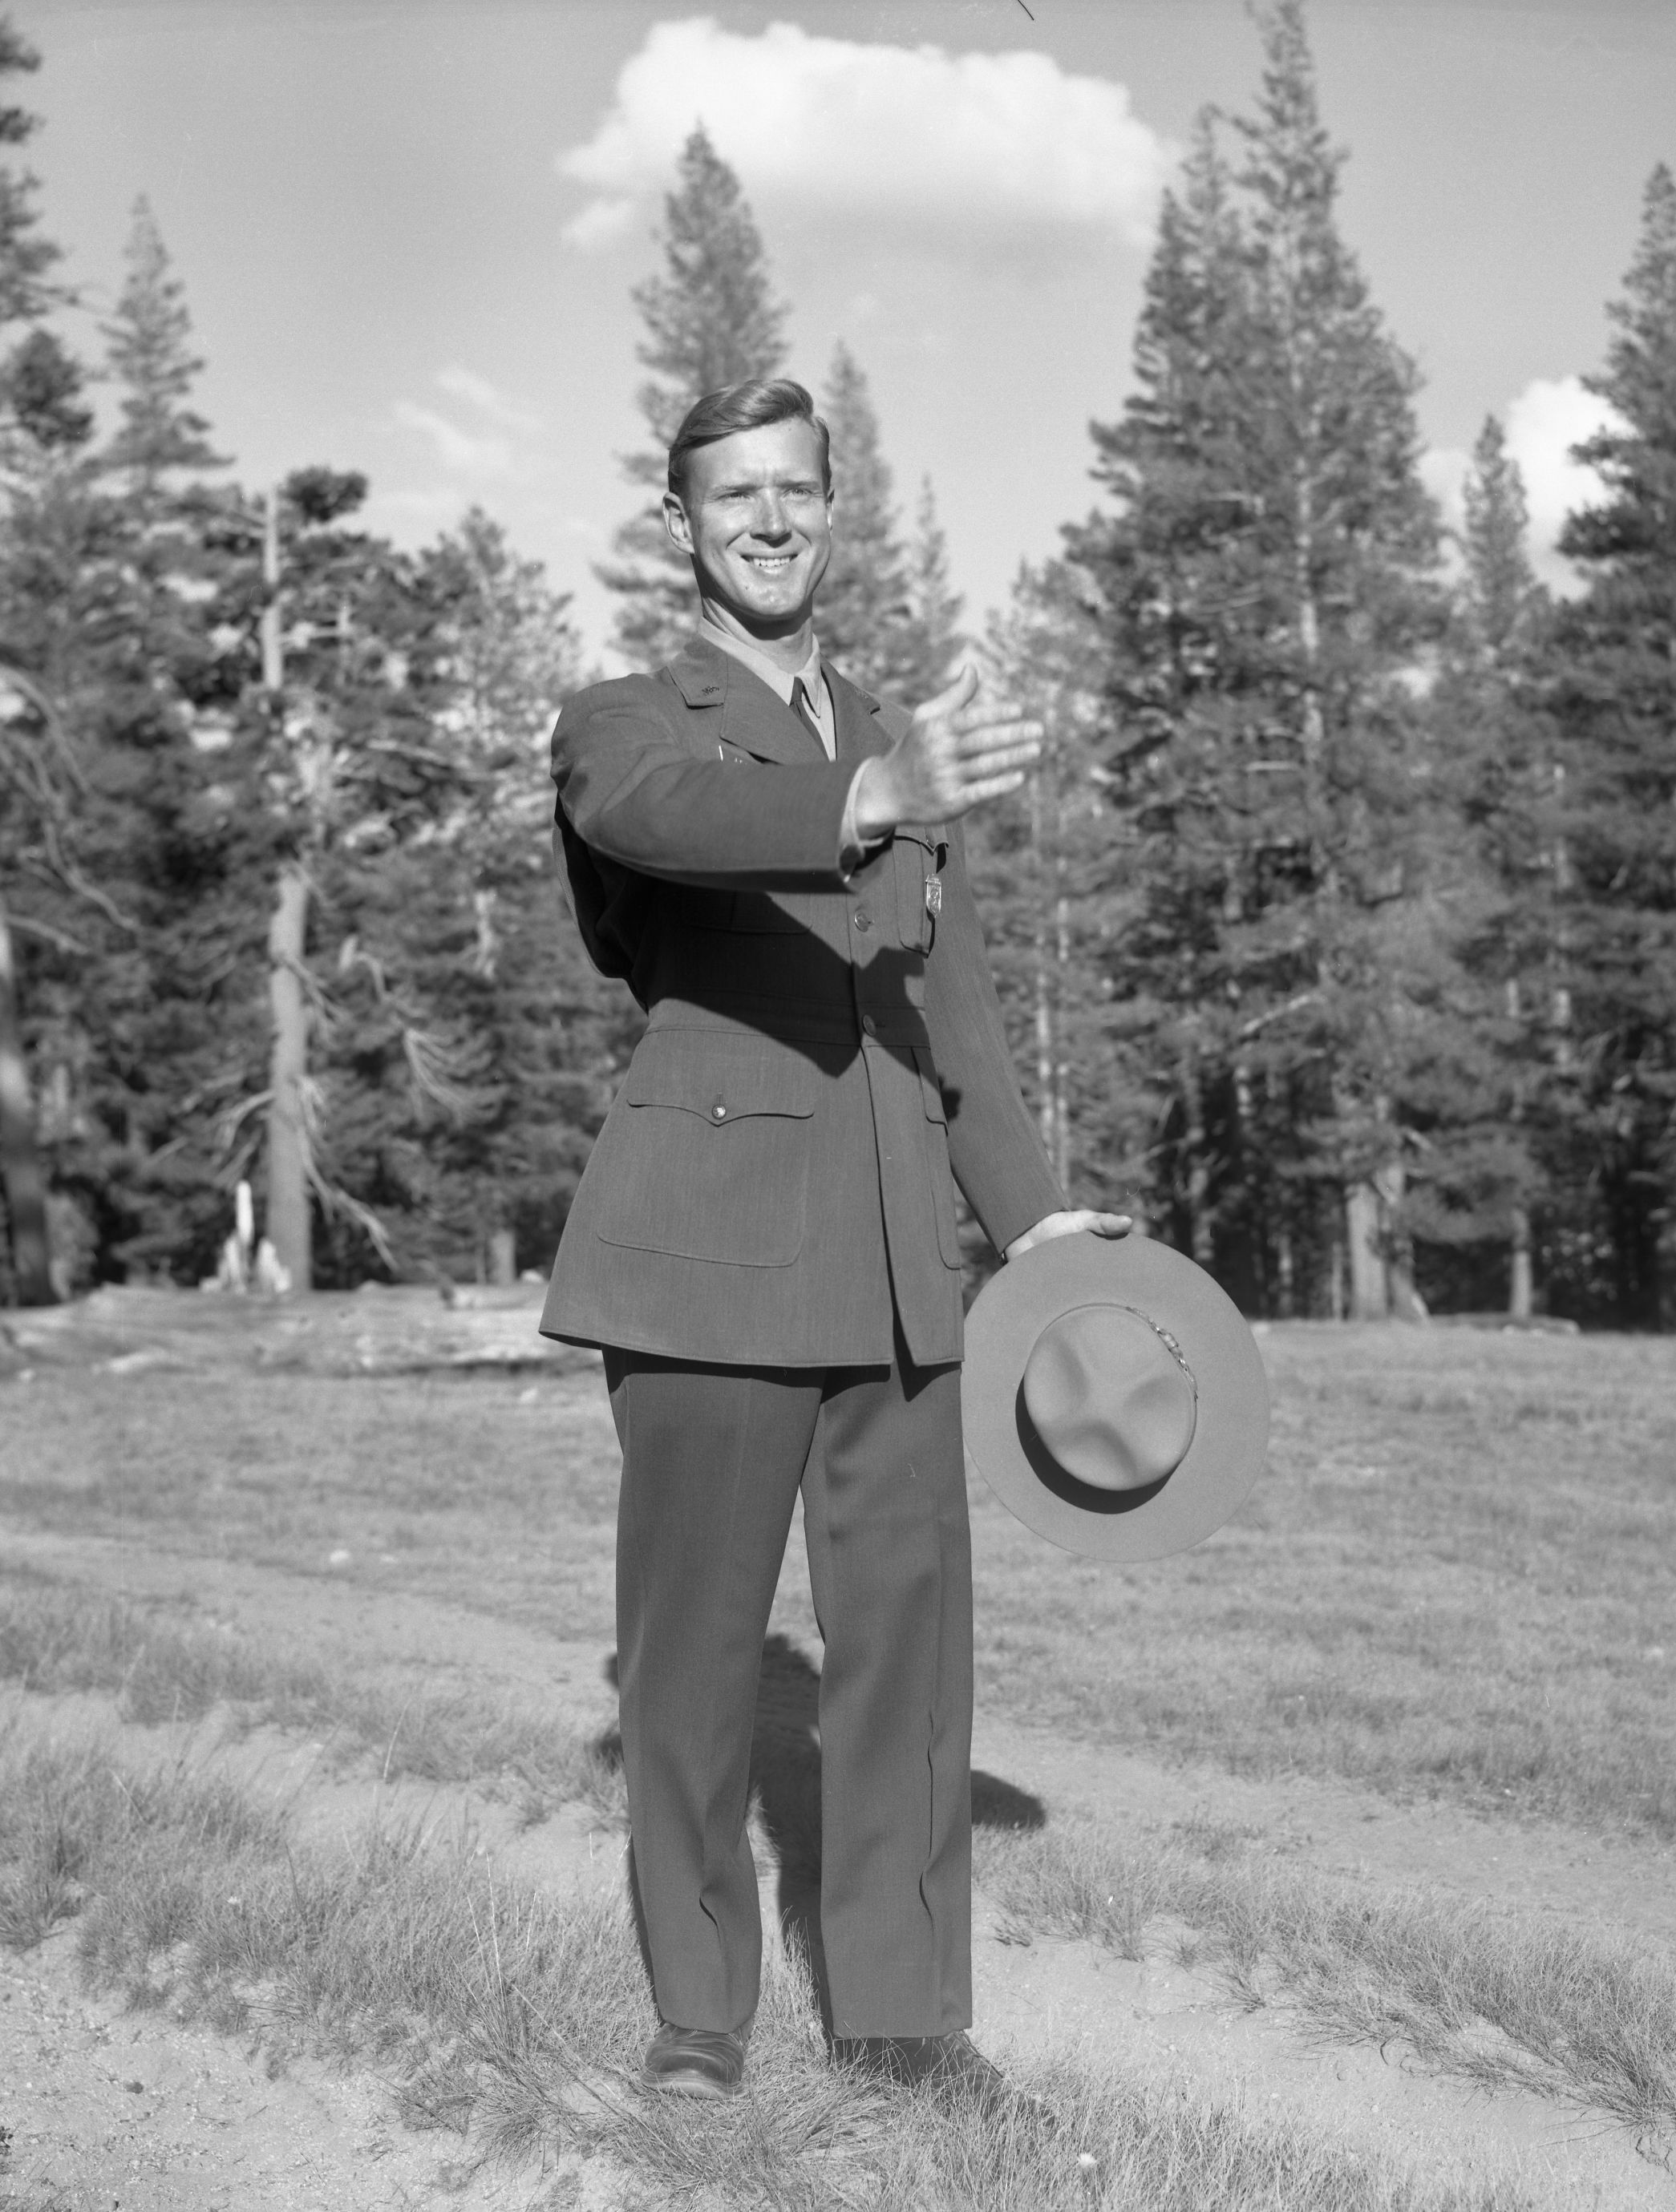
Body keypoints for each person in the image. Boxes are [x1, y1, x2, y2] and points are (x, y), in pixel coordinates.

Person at [541, 377, 1127, 2108]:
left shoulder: (889, 730)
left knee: (906, 1656)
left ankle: (898, 2021)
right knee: (693, 1663)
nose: (771, 520)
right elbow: (658, 824)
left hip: (892, 1271)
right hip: (704, 1261)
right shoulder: (627, 718)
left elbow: (948, 1008)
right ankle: (698, 2020)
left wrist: (1027, 1221)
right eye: (735, 497)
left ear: (830, 504)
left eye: (797, 490)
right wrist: (864, 794)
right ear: (683, 523)